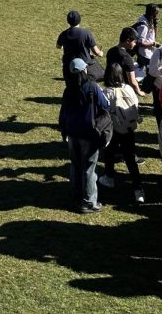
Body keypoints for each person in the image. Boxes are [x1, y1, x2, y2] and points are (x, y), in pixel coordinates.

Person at [58, 57, 110, 213]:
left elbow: (63, 112)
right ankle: (88, 201)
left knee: (75, 164)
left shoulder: (68, 90)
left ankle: (76, 193)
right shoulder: (92, 87)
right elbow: (105, 104)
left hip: (72, 132)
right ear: (84, 70)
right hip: (89, 133)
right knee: (89, 167)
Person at [99, 62, 144, 203]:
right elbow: (135, 105)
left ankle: (109, 177)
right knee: (130, 159)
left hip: (113, 129)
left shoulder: (106, 92)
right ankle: (138, 189)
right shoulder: (128, 89)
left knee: (109, 152)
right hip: (129, 128)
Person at [56, 10, 100, 80]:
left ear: (68, 21)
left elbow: (58, 46)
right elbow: (96, 52)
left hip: (68, 67)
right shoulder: (86, 33)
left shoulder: (63, 34)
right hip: (84, 67)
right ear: (79, 20)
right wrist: (101, 53)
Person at [106, 27, 144, 96]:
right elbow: (132, 81)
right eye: (134, 42)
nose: (135, 44)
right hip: (123, 89)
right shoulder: (126, 58)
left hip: (110, 86)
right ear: (128, 41)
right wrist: (139, 92)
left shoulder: (110, 51)